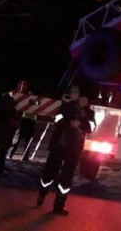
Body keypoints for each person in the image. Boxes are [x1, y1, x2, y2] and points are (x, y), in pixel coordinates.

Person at [37, 86, 94, 215]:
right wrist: (69, 122)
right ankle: (42, 194)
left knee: (67, 177)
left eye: (77, 93)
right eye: (73, 92)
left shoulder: (88, 112)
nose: (76, 95)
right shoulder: (62, 105)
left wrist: (81, 123)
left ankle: (59, 206)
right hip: (58, 146)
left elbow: (91, 127)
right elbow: (56, 119)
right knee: (49, 172)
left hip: (73, 150)